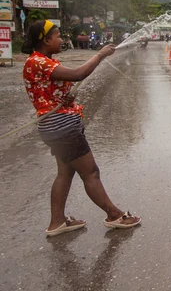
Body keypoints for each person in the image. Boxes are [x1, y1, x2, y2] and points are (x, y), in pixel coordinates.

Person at [21, 20, 141, 237]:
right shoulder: (38, 62)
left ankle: (57, 222)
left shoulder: (42, 61)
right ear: (46, 40)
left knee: (65, 173)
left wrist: (64, 97)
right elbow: (78, 74)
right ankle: (114, 215)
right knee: (90, 172)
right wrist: (101, 54)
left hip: (55, 126)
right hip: (62, 128)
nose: (61, 40)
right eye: (57, 36)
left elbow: (48, 93)